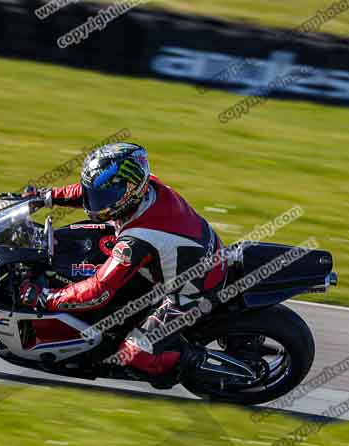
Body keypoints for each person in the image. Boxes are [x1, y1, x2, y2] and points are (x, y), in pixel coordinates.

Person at [18, 142, 227, 385]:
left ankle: (193, 360)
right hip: (185, 257)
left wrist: (46, 298)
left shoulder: (138, 238)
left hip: (192, 291)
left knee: (134, 354)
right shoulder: (147, 186)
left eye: (105, 197)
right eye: (98, 195)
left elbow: (98, 292)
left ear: (130, 190)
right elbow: (89, 192)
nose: (96, 203)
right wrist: (46, 197)